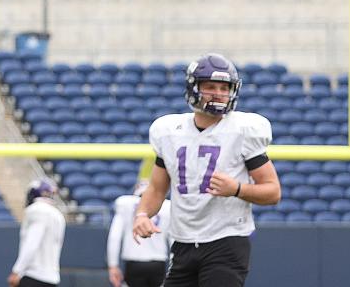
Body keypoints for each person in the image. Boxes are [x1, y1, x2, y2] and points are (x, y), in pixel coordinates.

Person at [132, 53, 281, 287]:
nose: (219, 93)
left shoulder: (242, 130)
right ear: (194, 88)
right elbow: (157, 189)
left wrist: (237, 189)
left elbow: (273, 191)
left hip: (226, 240)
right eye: (210, 86)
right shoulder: (169, 131)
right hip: (183, 242)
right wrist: (142, 215)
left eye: (224, 87)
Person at [108, 179, 170, 287]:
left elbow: (114, 237)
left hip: (134, 263)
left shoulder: (125, 204)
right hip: (158, 263)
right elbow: (174, 238)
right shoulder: (167, 206)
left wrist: (113, 265)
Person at [8, 179, 66, 287]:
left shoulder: (36, 210)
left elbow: (32, 242)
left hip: (33, 276)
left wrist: (17, 270)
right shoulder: (58, 215)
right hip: (52, 279)